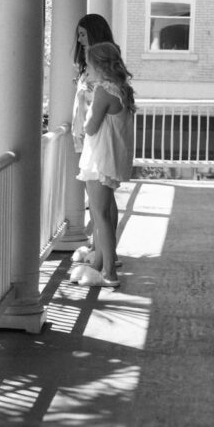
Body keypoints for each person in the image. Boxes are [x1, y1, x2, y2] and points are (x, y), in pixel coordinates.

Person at [77, 41, 135, 287]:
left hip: (100, 158)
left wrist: (83, 100)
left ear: (99, 66)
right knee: (108, 211)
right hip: (111, 156)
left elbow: (90, 127)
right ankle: (102, 263)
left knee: (99, 215)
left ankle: (110, 273)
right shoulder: (121, 88)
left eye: (89, 64)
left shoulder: (102, 91)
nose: (86, 68)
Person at [71, 14, 119, 242]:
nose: (79, 39)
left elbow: (102, 96)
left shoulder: (104, 63)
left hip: (97, 135)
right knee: (99, 198)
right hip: (85, 134)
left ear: (93, 32)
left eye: (82, 34)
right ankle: (100, 249)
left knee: (102, 200)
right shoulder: (87, 63)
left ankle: (105, 255)